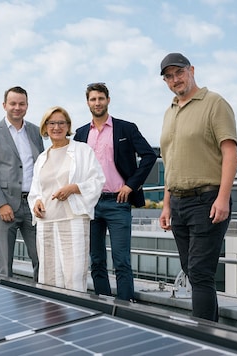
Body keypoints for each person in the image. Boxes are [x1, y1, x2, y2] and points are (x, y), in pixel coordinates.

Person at [158, 53, 237, 322]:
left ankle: (204, 340)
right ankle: (211, 334)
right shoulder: (170, 111)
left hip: (207, 200)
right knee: (192, 271)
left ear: (191, 70)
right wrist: (166, 205)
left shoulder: (214, 103)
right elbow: (170, 162)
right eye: (168, 76)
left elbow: (230, 153)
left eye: (178, 72)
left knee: (201, 272)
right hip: (179, 203)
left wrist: (223, 198)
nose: (174, 79)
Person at [74, 83, 157, 301]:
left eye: (101, 98)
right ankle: (103, 306)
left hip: (117, 203)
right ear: (87, 103)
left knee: (121, 260)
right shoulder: (81, 134)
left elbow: (149, 156)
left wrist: (131, 185)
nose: (97, 103)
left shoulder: (125, 128)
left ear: (108, 100)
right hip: (90, 204)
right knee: (97, 260)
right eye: (93, 99)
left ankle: (125, 307)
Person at [28, 106, 105, 293]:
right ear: (45, 127)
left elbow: (98, 180)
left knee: (74, 274)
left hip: (73, 219)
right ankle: (52, 317)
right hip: (47, 222)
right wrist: (37, 201)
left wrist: (75, 188)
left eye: (61, 123)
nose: (56, 127)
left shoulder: (82, 151)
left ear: (68, 126)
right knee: (49, 275)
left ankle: (76, 316)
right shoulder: (41, 158)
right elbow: (36, 190)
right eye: (52, 123)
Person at [0, 86, 44, 280]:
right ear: (4, 105)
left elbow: (42, 167)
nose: (17, 107)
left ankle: (41, 303)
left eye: (21, 104)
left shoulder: (35, 131)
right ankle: (6, 308)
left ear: (27, 105)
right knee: (4, 266)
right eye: (13, 103)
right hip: (4, 206)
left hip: (33, 206)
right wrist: (1, 204)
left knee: (42, 259)